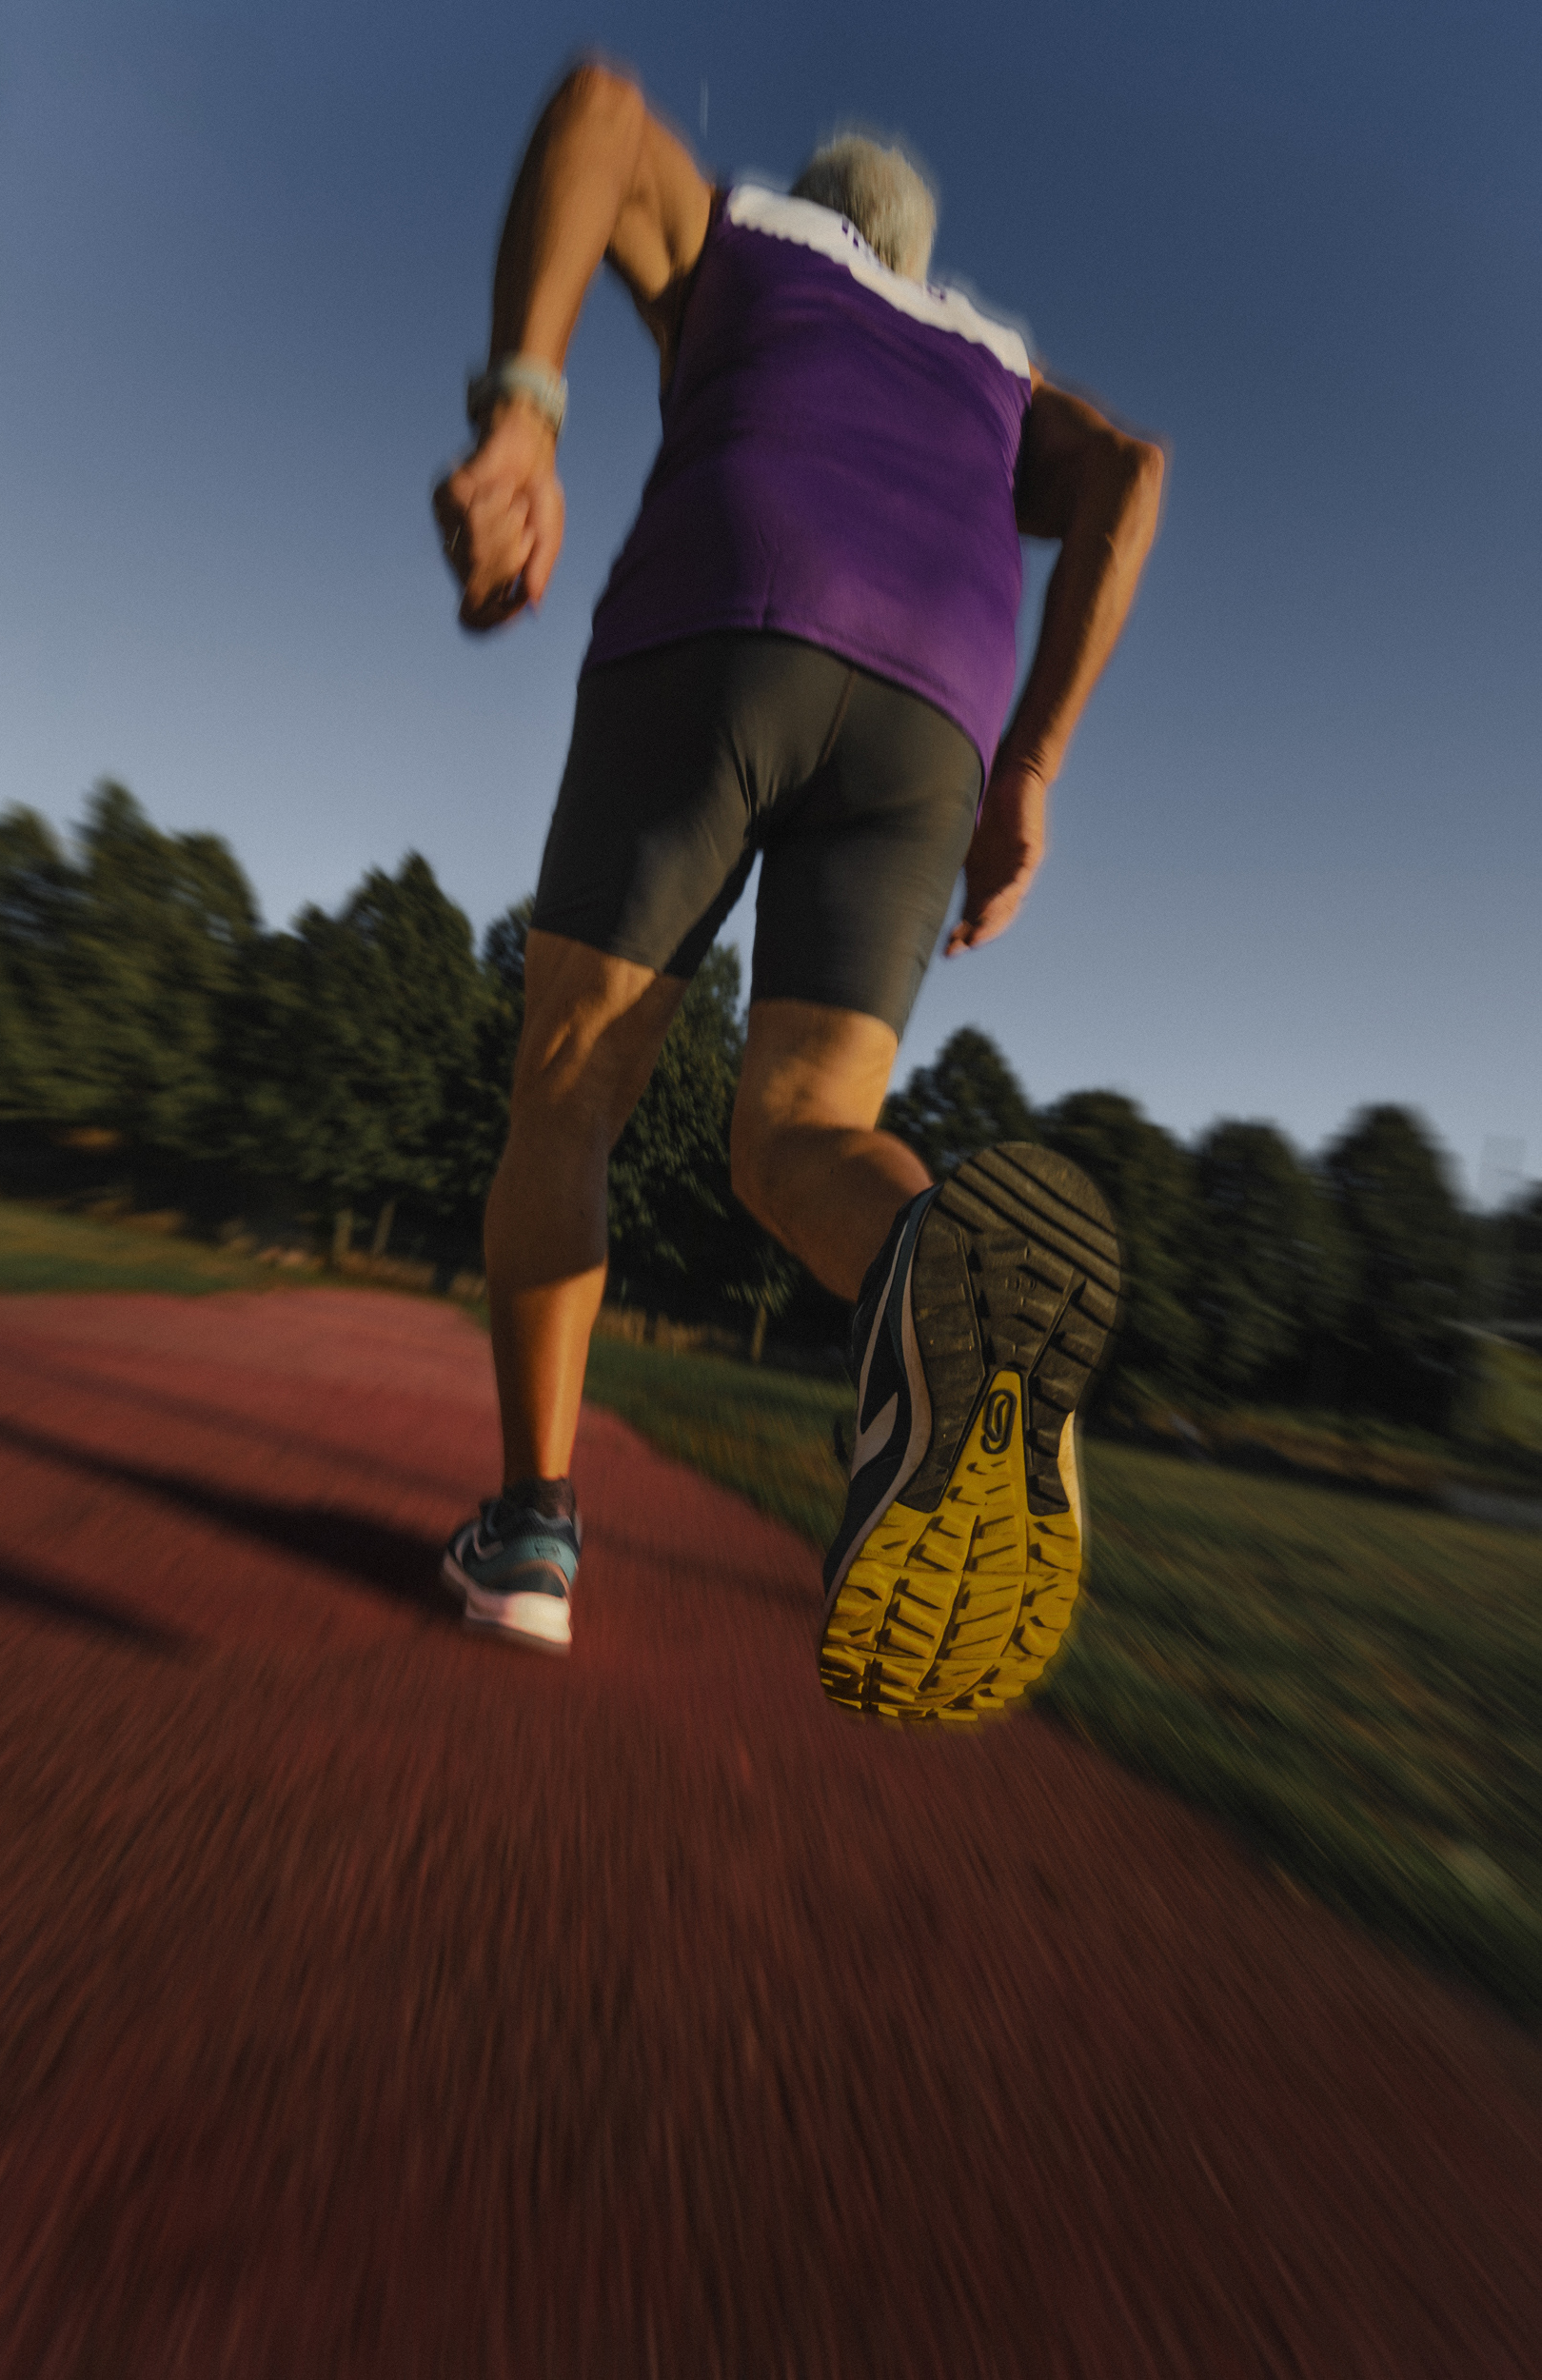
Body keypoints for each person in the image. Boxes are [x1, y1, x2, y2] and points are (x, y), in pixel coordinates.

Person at [432, 62, 1162, 1723]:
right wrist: (1032, 769)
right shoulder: (994, 366)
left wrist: (525, 410)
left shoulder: (749, 242)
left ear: (819, 213)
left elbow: (599, 104)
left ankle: (532, 1531)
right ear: (913, 260)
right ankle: (938, 1273)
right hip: (936, 707)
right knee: (803, 1137)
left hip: (737, 599)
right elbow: (1131, 476)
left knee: (573, 1086)